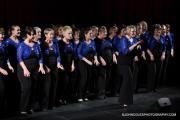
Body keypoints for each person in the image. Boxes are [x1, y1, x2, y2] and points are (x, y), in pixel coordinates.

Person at [17, 27, 45, 114]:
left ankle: (30, 107)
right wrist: (25, 69)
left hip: (35, 69)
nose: (33, 36)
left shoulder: (36, 44)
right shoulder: (21, 45)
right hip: (24, 68)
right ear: (27, 35)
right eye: (31, 34)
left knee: (34, 88)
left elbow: (40, 56)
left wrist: (41, 66)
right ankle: (23, 108)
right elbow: (19, 58)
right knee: (27, 88)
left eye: (34, 34)